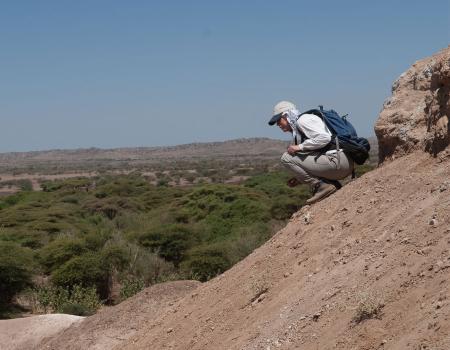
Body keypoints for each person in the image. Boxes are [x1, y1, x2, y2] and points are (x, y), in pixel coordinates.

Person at [268, 100, 354, 204]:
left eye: (279, 120)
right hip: (343, 163)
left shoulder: (303, 121)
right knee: (295, 155)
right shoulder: (302, 125)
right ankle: (329, 185)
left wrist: (299, 147)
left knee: (286, 158)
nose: (278, 125)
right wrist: (299, 178)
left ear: (286, 115)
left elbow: (324, 138)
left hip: (339, 162)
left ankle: (322, 187)